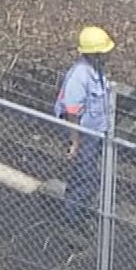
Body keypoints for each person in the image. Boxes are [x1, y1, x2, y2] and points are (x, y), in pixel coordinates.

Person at [56, 26, 114, 224]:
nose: (108, 55)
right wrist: (75, 142)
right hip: (83, 135)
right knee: (85, 178)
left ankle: (76, 212)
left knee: (85, 176)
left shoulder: (95, 71)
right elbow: (72, 112)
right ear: (94, 53)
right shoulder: (80, 76)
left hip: (94, 133)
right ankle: (73, 220)